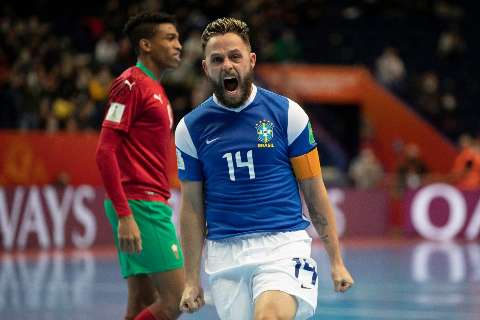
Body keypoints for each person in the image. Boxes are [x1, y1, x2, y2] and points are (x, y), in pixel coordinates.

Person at [175, 17, 354, 320]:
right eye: (217, 59)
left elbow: (313, 188)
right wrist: (191, 280)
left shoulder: (288, 115)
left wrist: (336, 260)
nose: (227, 65)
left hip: (282, 248)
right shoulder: (190, 130)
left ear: (251, 60)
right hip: (224, 257)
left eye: (235, 56)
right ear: (206, 68)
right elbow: (191, 207)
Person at [95, 12, 184, 320]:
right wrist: (125, 215)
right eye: (170, 38)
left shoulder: (155, 88)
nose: (179, 45)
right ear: (146, 45)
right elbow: (105, 150)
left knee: (140, 304)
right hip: (140, 204)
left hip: (146, 202)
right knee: (174, 301)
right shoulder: (131, 84)